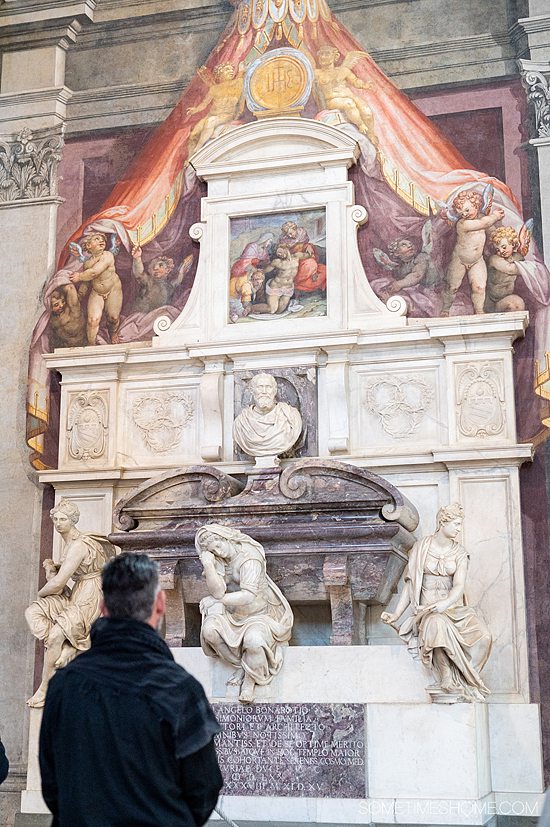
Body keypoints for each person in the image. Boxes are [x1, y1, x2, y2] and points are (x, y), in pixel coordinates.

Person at [39, 552, 222, 827]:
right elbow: (204, 788)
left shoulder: (63, 685)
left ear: (102, 607)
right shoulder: (180, 688)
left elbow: (53, 785)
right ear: (159, 604)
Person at [381, 503, 492, 702]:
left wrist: (446, 603)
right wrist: (396, 614)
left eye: (460, 524)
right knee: (436, 624)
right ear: (443, 522)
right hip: (427, 611)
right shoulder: (421, 547)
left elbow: (458, 586)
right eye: (456, 524)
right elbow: (410, 584)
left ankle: (468, 679)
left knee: (484, 636)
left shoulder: (460, 553)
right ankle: (446, 676)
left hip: (453, 609)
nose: (459, 528)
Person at [25, 499, 116, 708]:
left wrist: (41, 591)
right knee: (33, 612)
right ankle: (67, 648)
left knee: (57, 632)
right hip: (79, 591)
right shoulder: (69, 543)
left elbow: (58, 585)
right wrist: (52, 570)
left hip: (92, 594)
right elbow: (61, 580)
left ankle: (45, 688)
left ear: (73, 520)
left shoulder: (78, 545)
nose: (58, 523)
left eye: (63, 519)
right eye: (55, 519)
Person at [197, 524, 293, 704]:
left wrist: (218, 601)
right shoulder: (219, 559)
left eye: (218, 545)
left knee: (254, 641)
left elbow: (248, 596)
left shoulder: (250, 559)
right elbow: (218, 592)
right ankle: (243, 665)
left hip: (260, 615)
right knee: (209, 632)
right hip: (232, 616)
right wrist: (209, 564)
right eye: (213, 550)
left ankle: (250, 681)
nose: (218, 551)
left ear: (226, 538)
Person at [441, 190, 505, 316]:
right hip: (459, 260)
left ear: (476, 205)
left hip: (477, 260)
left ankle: (479, 311)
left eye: (467, 210)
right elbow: (483, 223)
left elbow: (491, 231)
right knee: (452, 287)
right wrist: (495, 216)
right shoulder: (462, 224)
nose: (464, 214)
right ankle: (446, 309)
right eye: (461, 212)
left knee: (479, 288)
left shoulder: (482, 218)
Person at [233, 372, 302, 460]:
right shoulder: (241, 423)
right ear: (252, 391)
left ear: (275, 391)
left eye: (268, 387)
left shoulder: (290, 416)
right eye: (260, 387)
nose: (264, 392)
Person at [68, 232, 123, 344]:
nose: (101, 241)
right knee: (93, 320)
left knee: (113, 318)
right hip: (97, 292)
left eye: (102, 239)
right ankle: (91, 344)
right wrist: (80, 295)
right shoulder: (87, 263)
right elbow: (86, 283)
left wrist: (79, 276)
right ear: (88, 246)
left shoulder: (107, 256)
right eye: (96, 239)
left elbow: (94, 272)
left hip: (113, 289)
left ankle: (112, 332)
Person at [485, 226, 526, 312]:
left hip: (508, 296)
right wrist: (528, 269)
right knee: (512, 306)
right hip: (493, 301)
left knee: (518, 305)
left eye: (504, 247)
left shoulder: (517, 257)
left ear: (513, 243)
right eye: (497, 249)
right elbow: (510, 269)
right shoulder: (494, 259)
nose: (501, 251)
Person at [47, 283, 87, 349]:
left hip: (80, 347)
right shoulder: (51, 318)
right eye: (56, 305)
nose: (61, 305)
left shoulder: (72, 309)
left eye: (63, 301)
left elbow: (70, 287)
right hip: (63, 349)